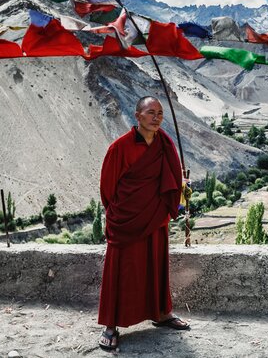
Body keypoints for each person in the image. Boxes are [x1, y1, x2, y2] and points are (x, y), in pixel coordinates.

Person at [97, 96, 190, 351]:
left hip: (155, 216)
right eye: (151, 112)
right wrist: (122, 214)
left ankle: (161, 313)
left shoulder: (166, 144)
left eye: (160, 112)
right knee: (121, 270)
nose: (157, 117)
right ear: (137, 116)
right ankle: (111, 325)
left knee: (156, 264)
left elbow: (172, 177)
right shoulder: (120, 147)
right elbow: (108, 190)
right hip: (127, 220)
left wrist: (179, 191)